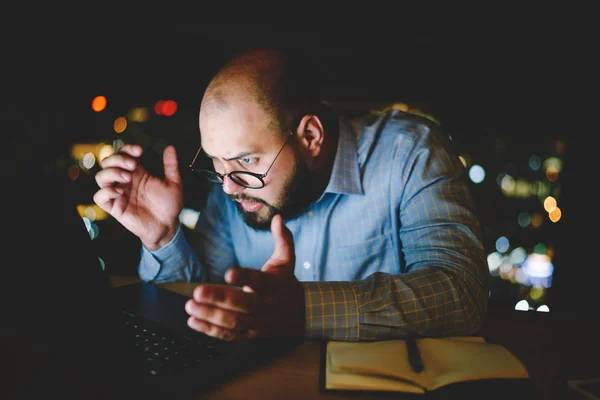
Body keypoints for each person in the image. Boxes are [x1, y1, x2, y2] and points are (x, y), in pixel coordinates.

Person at [93, 47, 489, 342]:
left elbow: (462, 294)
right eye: (216, 162)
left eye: (246, 161)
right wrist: (162, 239)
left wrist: (302, 310)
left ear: (311, 137)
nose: (229, 186)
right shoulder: (236, 187)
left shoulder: (409, 152)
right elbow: (202, 311)